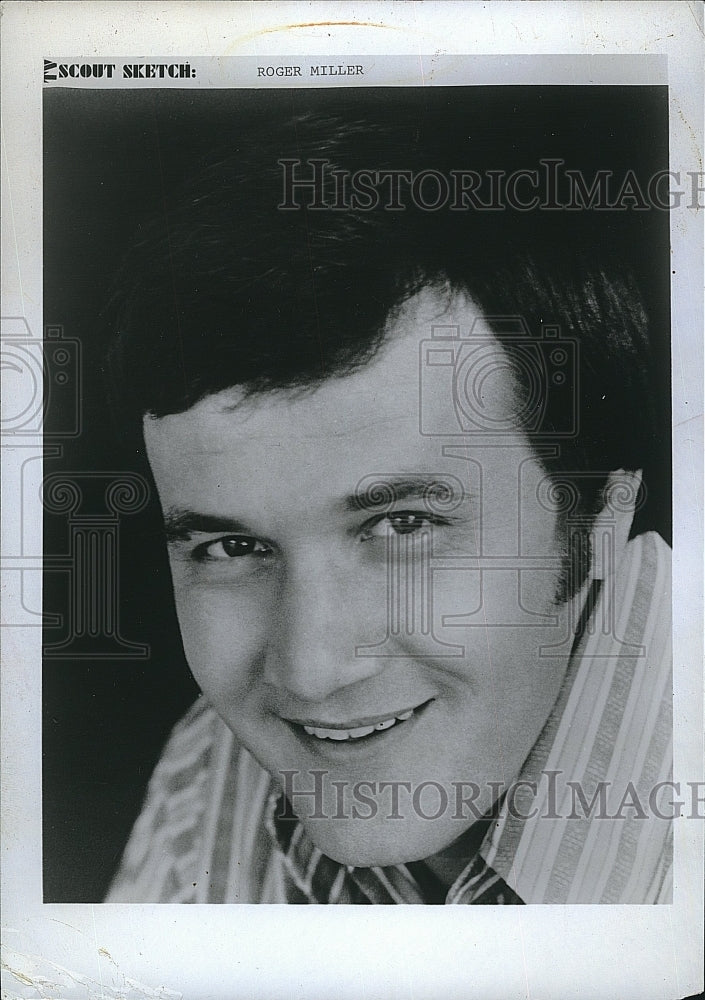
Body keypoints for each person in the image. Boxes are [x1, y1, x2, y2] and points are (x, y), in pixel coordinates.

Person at [104, 98, 671, 904]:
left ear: (604, 513)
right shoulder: (213, 763)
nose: (309, 672)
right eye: (231, 548)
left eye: (403, 525)